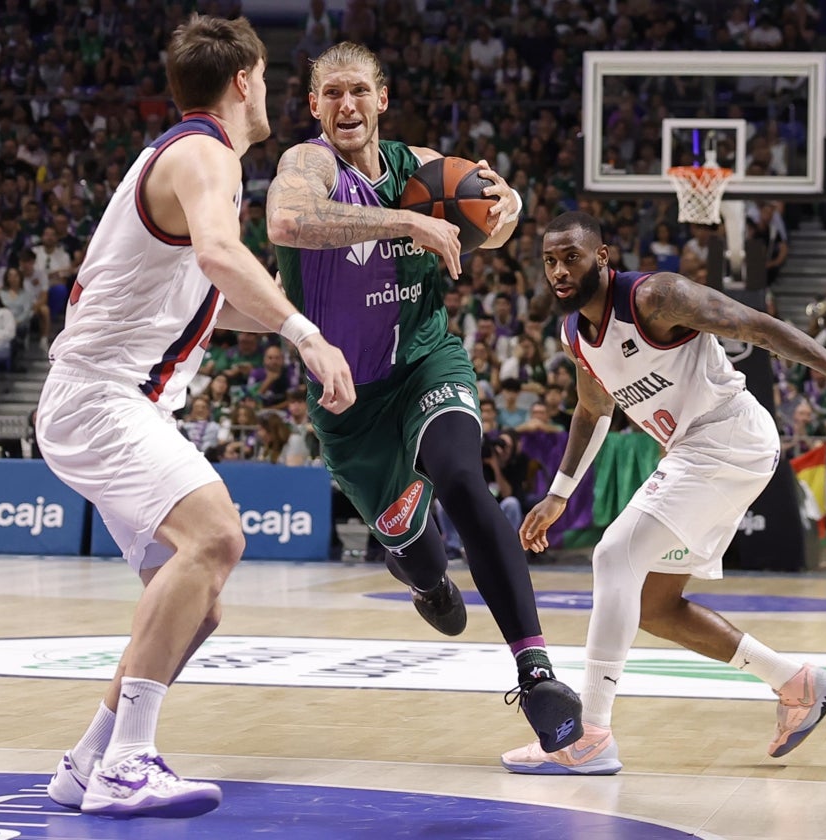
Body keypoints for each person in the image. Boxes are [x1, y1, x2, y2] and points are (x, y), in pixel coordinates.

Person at [36, 15, 354, 819]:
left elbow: (210, 295)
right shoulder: (205, 154)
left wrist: (301, 322)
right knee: (217, 537)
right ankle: (129, 765)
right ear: (244, 78)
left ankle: (89, 760)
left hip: (107, 397)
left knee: (196, 604)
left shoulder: (182, 157)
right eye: (271, 79)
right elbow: (220, 257)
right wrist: (306, 335)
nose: (273, 92)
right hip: (101, 395)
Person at [500, 211, 826, 774]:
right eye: (549, 261)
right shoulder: (575, 334)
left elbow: (760, 326)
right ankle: (797, 684)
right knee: (654, 605)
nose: (559, 271)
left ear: (602, 257)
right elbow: (593, 409)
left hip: (727, 434)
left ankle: (588, 734)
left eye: (572, 257)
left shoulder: (655, 297)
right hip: (701, 449)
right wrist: (561, 493)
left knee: (614, 555)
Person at [266, 41, 583, 754]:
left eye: (359, 91)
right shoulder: (307, 166)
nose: (346, 105)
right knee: (420, 555)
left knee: (464, 477)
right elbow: (288, 224)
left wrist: (510, 204)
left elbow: (494, 210)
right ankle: (424, 578)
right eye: (331, 93)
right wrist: (407, 222)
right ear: (315, 105)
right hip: (351, 399)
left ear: (382, 99)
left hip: (424, 359)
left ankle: (537, 675)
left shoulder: (422, 167)